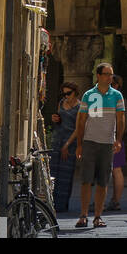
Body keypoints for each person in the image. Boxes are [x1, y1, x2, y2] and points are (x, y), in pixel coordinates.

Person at [73, 62, 125, 229]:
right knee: (86, 180)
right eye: (107, 74)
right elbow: (81, 120)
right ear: (99, 76)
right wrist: (79, 144)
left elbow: (121, 118)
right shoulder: (89, 95)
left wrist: (118, 139)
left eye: (111, 74)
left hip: (107, 143)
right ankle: (83, 215)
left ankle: (97, 216)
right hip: (89, 142)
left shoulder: (117, 95)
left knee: (103, 181)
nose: (110, 77)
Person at [48, 81, 80, 213]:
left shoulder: (80, 107)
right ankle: (51, 203)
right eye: (64, 93)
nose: (66, 96)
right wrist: (55, 119)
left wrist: (67, 145)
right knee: (53, 172)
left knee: (66, 175)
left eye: (69, 93)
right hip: (57, 139)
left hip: (70, 142)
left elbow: (78, 128)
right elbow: (59, 120)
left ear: (75, 93)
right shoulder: (61, 103)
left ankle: (62, 205)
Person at [107, 75, 127, 211]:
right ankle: (115, 200)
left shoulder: (114, 98)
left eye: (112, 82)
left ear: (117, 85)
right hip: (118, 138)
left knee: (114, 170)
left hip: (112, 138)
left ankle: (114, 200)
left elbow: (122, 120)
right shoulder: (120, 98)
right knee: (115, 170)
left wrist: (117, 138)